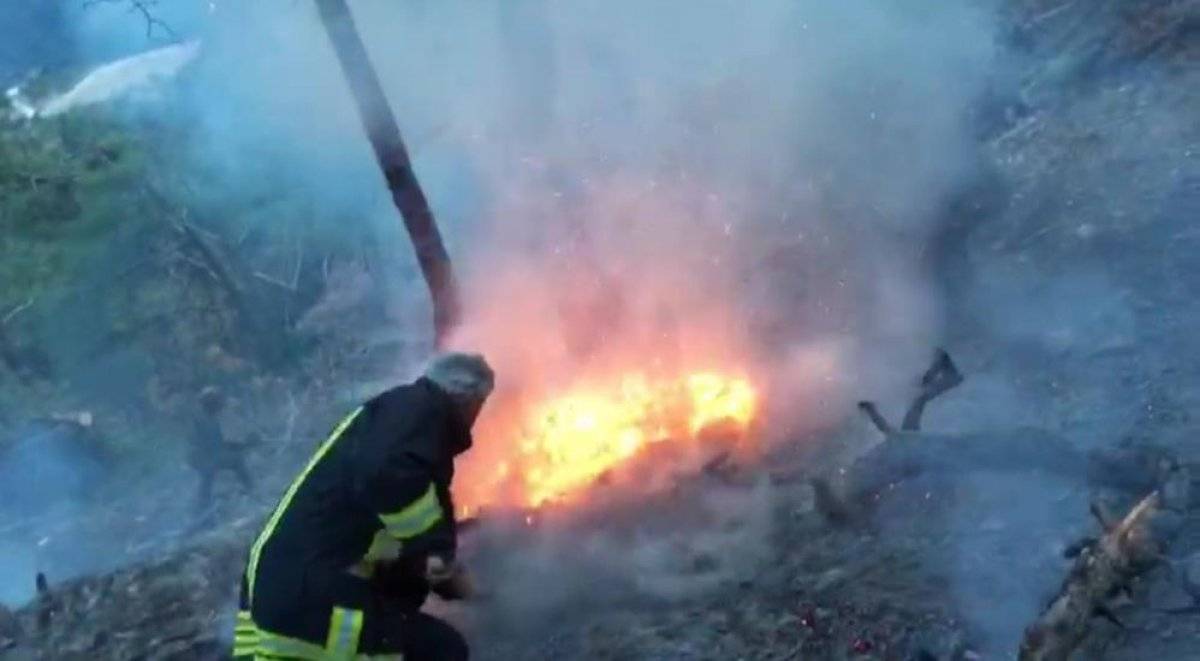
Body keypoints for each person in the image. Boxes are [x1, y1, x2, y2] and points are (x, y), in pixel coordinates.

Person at [233, 352, 494, 661]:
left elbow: (388, 529)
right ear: (468, 400)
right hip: (313, 598)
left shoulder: (390, 418)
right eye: (481, 405)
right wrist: (435, 551)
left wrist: (445, 579)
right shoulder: (419, 412)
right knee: (441, 651)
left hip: (275, 589)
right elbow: (386, 475)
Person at [190, 386, 253, 509]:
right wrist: (242, 445)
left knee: (207, 479)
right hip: (205, 458)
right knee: (236, 461)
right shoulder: (206, 422)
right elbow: (217, 447)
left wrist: (241, 445)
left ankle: (202, 504)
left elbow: (219, 444)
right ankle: (250, 488)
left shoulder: (204, 418)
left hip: (201, 458)